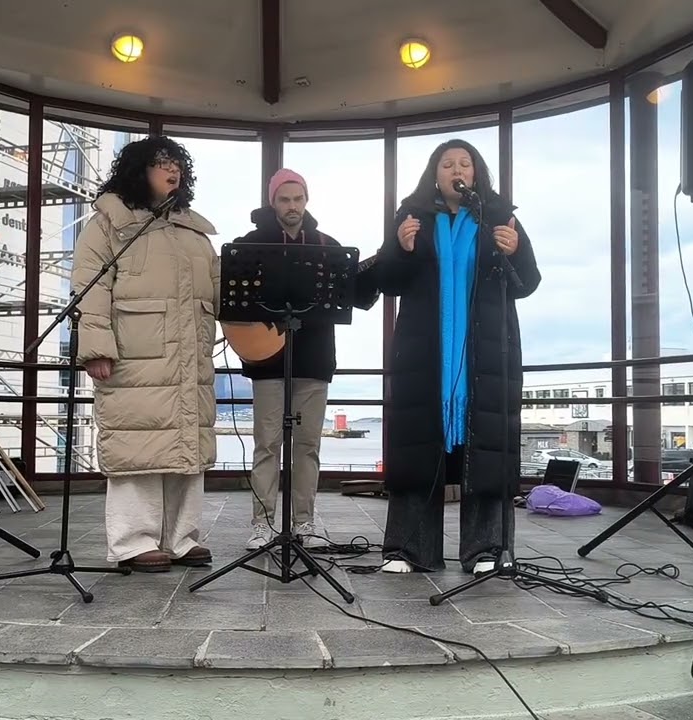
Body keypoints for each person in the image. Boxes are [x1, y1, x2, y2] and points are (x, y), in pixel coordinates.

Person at [375, 139, 541, 574]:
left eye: (464, 163)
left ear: (477, 173)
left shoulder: (499, 218)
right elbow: (387, 282)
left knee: (488, 451)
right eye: (447, 163)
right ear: (435, 174)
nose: (456, 169)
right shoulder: (410, 218)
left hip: (486, 357)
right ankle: (409, 549)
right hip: (423, 354)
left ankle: (487, 550)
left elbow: (528, 282)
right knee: (415, 448)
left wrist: (515, 250)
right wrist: (400, 247)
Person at [74, 136, 219, 573]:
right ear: (139, 169)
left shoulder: (195, 229)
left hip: (189, 357)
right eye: (161, 163)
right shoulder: (110, 222)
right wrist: (96, 347)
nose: (172, 170)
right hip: (134, 356)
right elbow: (89, 285)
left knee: (185, 449)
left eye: (176, 163)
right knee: (137, 446)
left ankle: (182, 538)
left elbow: (219, 289)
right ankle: (132, 542)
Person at [234, 169, 380, 550]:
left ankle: (305, 523)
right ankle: (262, 524)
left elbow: (358, 298)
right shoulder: (250, 246)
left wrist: (375, 270)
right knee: (267, 444)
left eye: (298, 199)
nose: (292, 206)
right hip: (266, 360)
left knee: (307, 446)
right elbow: (231, 295)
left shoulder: (327, 246)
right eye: (285, 200)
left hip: (314, 358)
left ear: (307, 201)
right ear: (273, 202)